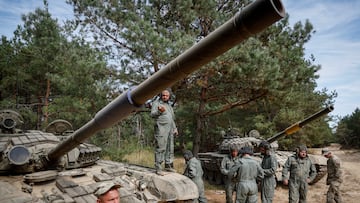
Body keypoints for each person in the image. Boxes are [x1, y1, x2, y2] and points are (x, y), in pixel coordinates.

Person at [150, 89, 178, 175]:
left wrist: (175, 128)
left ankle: (168, 165)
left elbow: (171, 118)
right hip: (161, 129)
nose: (165, 97)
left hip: (170, 129)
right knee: (161, 147)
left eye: (166, 95)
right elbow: (152, 114)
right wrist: (159, 111)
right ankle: (158, 167)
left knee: (170, 147)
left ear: (169, 97)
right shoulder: (157, 103)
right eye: (163, 95)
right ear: (161, 96)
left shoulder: (169, 106)